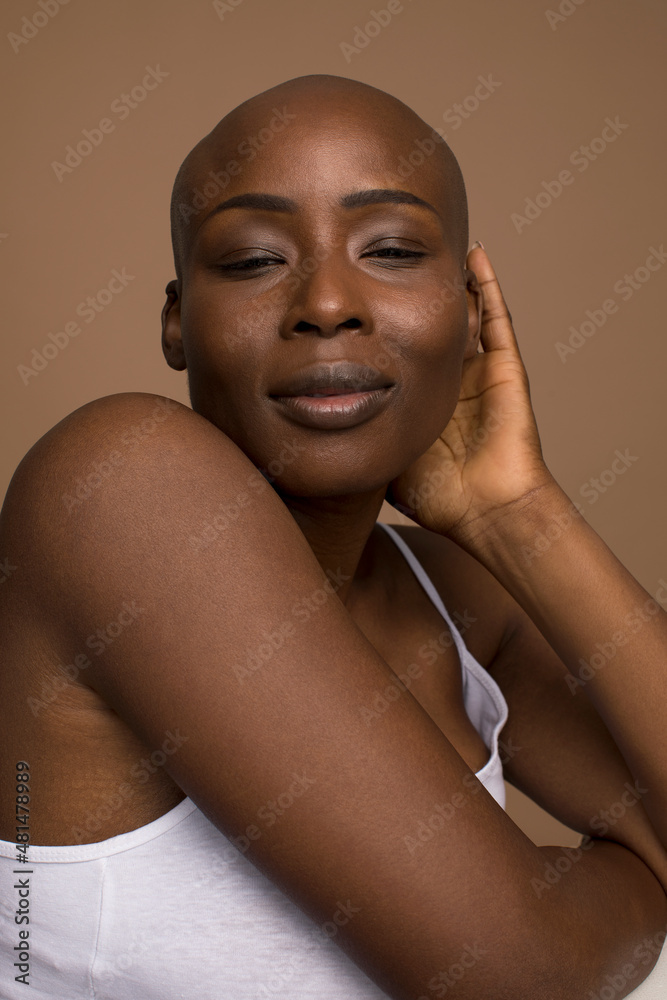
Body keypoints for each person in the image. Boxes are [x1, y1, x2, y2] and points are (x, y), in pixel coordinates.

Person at [1, 73, 666, 999]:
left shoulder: (447, 594)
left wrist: (519, 513)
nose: (325, 302)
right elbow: (521, 981)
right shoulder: (119, 486)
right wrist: (642, 887)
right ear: (175, 322)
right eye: (251, 261)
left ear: (470, 314)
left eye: (390, 249)